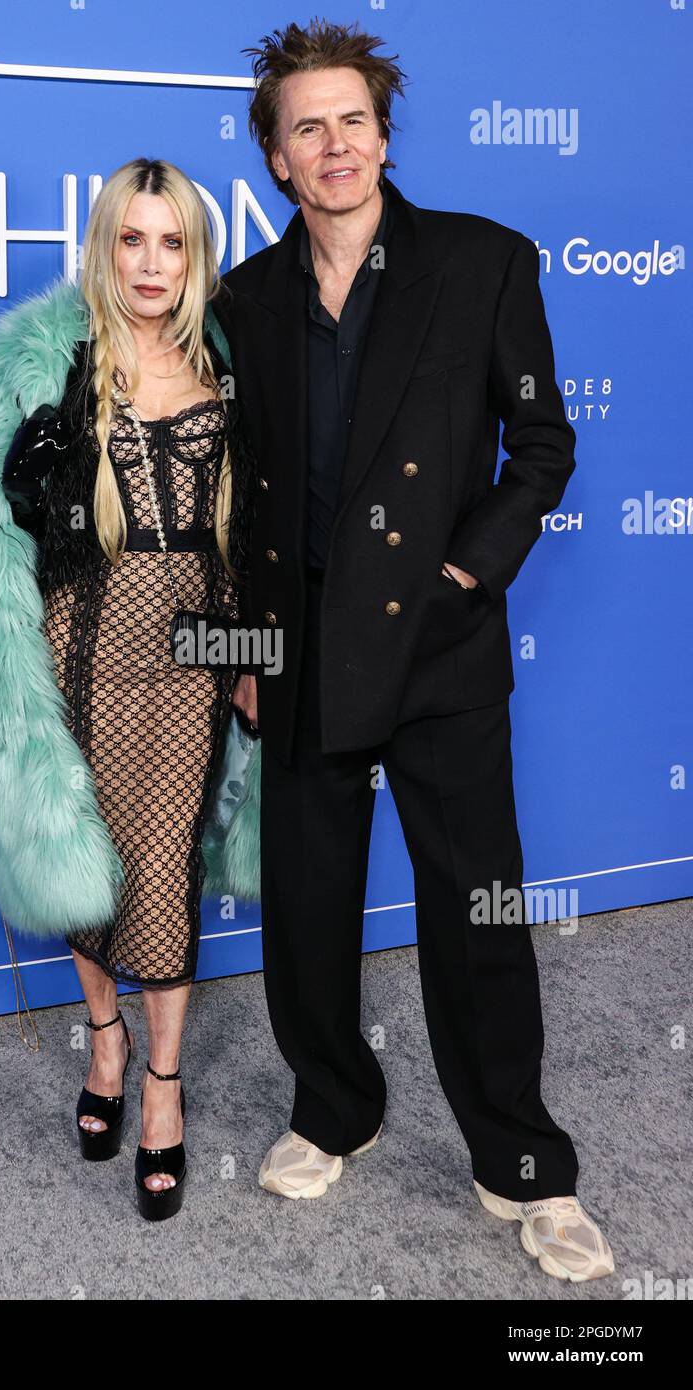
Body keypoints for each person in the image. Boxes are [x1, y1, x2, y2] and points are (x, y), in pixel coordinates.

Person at [213, 19, 614, 1281]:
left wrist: (459, 570)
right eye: (306, 128)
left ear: (382, 134)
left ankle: (521, 1164)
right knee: (310, 914)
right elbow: (228, 493)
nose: (334, 145)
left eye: (353, 120)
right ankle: (334, 1110)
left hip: (439, 647)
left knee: (478, 913)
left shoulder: (483, 264)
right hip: (295, 648)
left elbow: (541, 448)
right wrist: (232, 646)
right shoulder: (244, 300)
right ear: (276, 157)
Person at [0, 157, 261, 1222]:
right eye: (131, 239)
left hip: (191, 655)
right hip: (75, 645)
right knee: (76, 853)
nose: (150, 262)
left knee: (163, 865)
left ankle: (161, 1090)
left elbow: (266, 532)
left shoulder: (234, 362)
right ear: (104, 246)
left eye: (172, 241)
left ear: (194, 254)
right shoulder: (42, 362)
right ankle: (103, 1040)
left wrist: (252, 657)